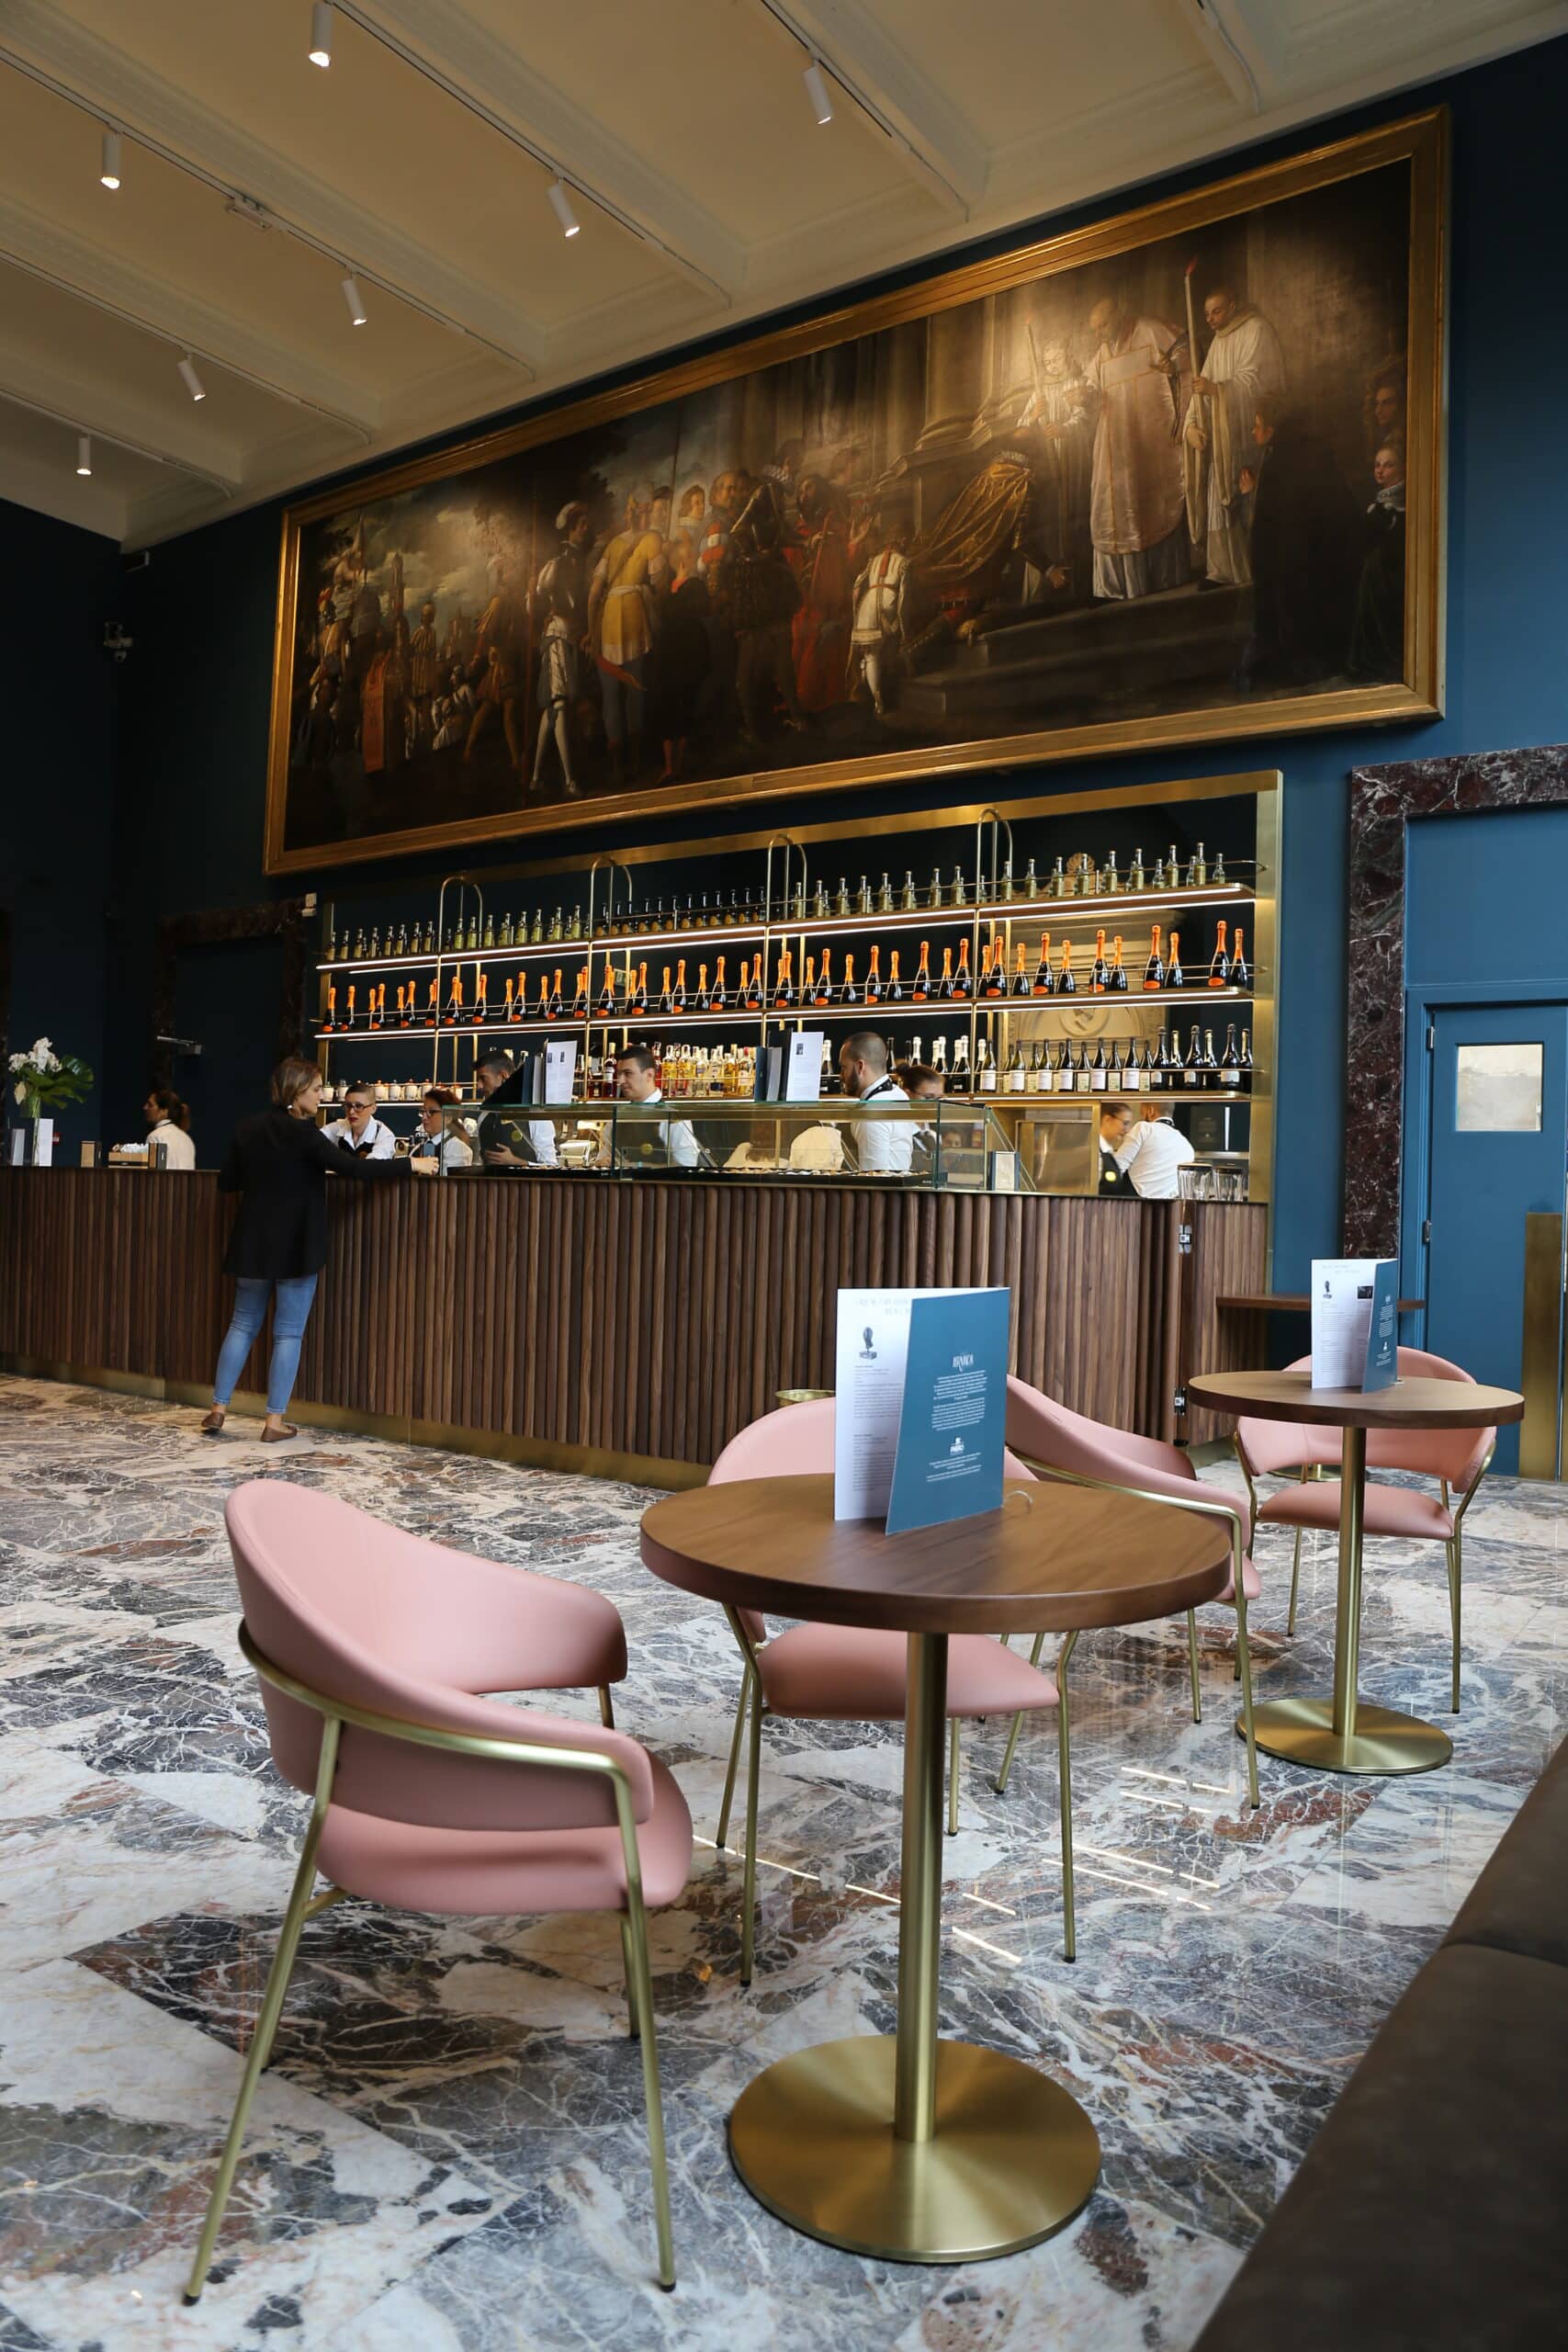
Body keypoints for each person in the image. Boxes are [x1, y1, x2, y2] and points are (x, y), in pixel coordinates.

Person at [203, 1057, 421, 1442]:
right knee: (287, 1334)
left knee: (241, 1325)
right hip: (297, 1244)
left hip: (252, 1241)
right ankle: (273, 1423)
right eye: (317, 1089)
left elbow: (227, 1182)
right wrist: (411, 1165)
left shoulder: (248, 1128)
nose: (322, 1096)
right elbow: (355, 1170)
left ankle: (218, 1409)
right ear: (297, 1090)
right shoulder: (306, 1135)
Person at [1236, 395, 1359, 688]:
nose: (1254, 431)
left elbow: (1267, 530)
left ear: (1271, 429)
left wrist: (1251, 497)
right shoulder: (1314, 451)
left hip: (1294, 565)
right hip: (1323, 559)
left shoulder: (1276, 462)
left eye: (1257, 425)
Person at [1082, 294, 1191, 601]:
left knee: (1155, 503)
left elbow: (1185, 349)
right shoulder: (1103, 353)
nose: (1099, 334)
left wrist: (1173, 365)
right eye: (1095, 329)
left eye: (1103, 325)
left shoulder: (1150, 330)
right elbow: (1091, 388)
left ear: (1120, 313)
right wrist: (1084, 397)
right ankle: (1125, 587)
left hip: (1151, 438)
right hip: (1117, 445)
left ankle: (1163, 581)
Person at [1183, 283, 1286, 587]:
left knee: (1245, 494)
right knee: (1218, 498)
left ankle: (1251, 567)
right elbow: (1202, 388)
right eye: (1206, 315)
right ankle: (1221, 570)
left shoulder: (1257, 329)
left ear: (1233, 306)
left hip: (1249, 432)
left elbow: (1257, 382)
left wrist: (1218, 390)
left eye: (1216, 312)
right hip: (1223, 437)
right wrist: (1191, 425)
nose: (1211, 320)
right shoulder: (1219, 342)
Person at [588, 486, 666, 779]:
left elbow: (593, 596)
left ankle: (617, 766)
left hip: (608, 623)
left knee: (611, 697)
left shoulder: (612, 545)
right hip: (633, 619)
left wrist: (593, 632)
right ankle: (635, 761)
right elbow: (660, 588)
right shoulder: (653, 539)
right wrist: (652, 589)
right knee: (636, 692)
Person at [529, 502, 593, 798]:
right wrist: (545, 613)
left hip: (570, 637)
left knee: (553, 710)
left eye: (587, 525)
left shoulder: (581, 560)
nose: (586, 529)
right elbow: (534, 598)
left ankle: (535, 777)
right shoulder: (557, 562)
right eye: (582, 525)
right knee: (559, 706)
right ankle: (569, 781)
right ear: (571, 527)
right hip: (556, 636)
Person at [1348, 436, 1406, 681]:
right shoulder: (1381, 502)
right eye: (1377, 465)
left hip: (1390, 576)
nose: (1380, 470)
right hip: (1374, 575)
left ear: (1403, 468)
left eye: (1388, 465)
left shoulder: (1396, 505)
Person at [613, 1044, 702, 1166]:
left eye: (628, 1074)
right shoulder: (618, 1115)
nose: (621, 1081)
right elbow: (604, 1156)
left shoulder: (673, 1117)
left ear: (649, 1074)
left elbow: (686, 1166)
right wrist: (603, 1162)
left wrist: (635, 1166)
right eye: (619, 1074)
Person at [839, 1031, 911, 1175]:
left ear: (860, 1067)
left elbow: (873, 1177)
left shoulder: (870, 1112)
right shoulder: (898, 1093)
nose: (841, 1076)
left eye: (844, 1067)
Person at [473, 1051, 558, 1169]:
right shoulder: (484, 1116)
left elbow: (551, 1166)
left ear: (503, 1076)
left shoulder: (535, 1116)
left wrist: (515, 1162)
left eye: (483, 1079)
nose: (479, 1086)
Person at [1113, 1102, 1196, 1199]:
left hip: (1133, 1204)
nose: (1141, 1117)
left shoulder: (1143, 1129)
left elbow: (1116, 1167)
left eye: (1142, 1113)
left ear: (1151, 1111)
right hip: (1168, 1206)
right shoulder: (1187, 1146)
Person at [321, 1080, 396, 1159]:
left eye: (359, 1106)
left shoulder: (384, 1136)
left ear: (373, 1109)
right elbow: (315, 1140)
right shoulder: (338, 1127)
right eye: (348, 1106)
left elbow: (372, 1164)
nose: (351, 1112)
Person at [410, 1086, 474, 1170]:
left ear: (448, 1118)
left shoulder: (459, 1150)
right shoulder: (418, 1149)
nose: (424, 1118)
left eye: (431, 1112)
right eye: (423, 1111)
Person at [142, 1086, 196, 1170]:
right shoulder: (187, 1139)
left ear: (164, 1112)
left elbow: (154, 1174)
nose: (145, 1107)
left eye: (150, 1105)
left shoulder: (155, 1137)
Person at [1098, 1102, 1135, 1193]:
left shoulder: (1108, 1152)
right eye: (1125, 1123)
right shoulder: (1095, 1154)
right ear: (1108, 1120)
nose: (1127, 1130)